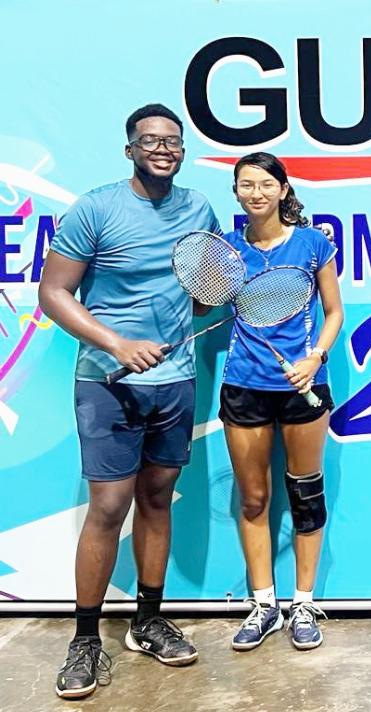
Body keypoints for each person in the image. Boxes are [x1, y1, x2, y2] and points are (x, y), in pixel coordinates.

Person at [39, 104, 221, 699]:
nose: (163, 149)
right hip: (106, 382)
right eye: (151, 141)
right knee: (110, 505)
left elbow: (206, 289)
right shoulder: (95, 209)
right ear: (130, 150)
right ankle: (85, 640)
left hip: (176, 380)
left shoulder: (199, 209)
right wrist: (117, 343)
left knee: (158, 498)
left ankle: (147, 621)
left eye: (173, 142)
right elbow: (53, 293)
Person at [218, 152, 342, 652]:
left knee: (305, 496)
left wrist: (315, 358)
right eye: (247, 184)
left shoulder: (313, 244)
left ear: (284, 189)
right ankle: (264, 605)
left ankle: (303, 604)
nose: (257, 193)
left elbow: (334, 312)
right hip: (244, 385)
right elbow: (206, 304)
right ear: (236, 192)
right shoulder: (226, 249)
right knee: (253, 499)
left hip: (302, 388)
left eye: (267, 184)